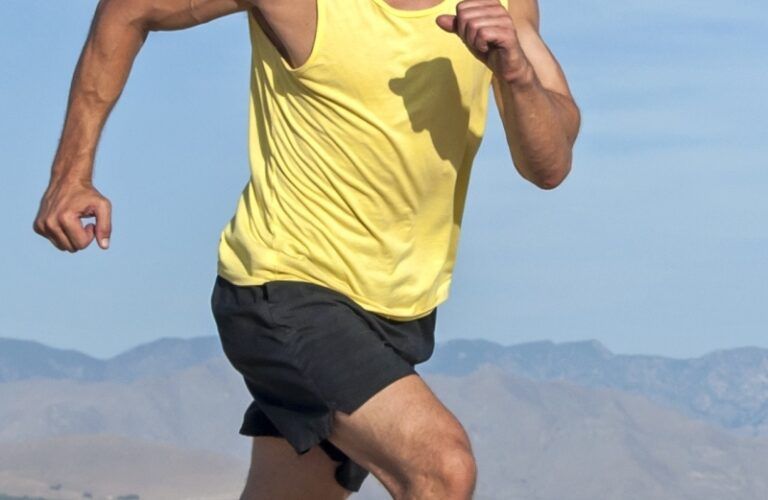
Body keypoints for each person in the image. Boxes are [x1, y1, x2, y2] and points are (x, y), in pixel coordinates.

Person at [33, 0, 580, 498]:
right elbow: (128, 10)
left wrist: (516, 77)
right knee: (441, 465)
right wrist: (71, 174)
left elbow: (549, 165)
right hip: (285, 290)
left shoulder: (503, 8)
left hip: (397, 311)